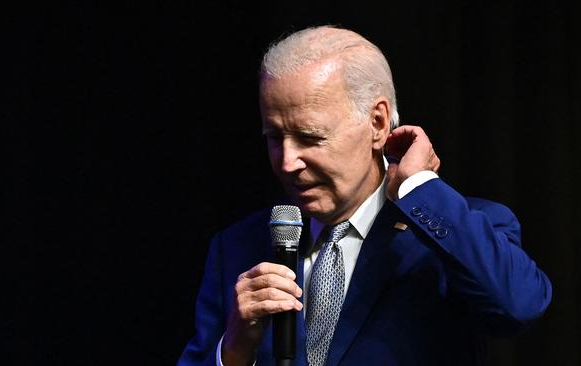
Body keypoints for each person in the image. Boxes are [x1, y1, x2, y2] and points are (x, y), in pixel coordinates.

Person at [178, 25, 552, 366]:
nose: (288, 162)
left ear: (376, 123)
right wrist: (234, 351)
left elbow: (518, 307)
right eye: (274, 138)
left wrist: (418, 188)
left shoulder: (456, 228)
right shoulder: (237, 247)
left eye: (310, 137)